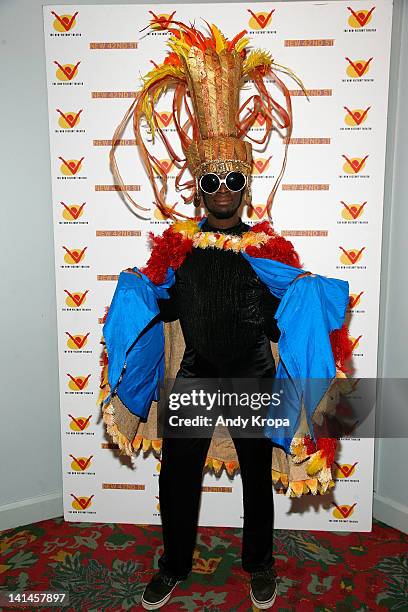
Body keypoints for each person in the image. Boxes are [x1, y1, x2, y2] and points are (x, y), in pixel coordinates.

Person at [99, 17, 353, 611]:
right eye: (210, 178)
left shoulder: (267, 254)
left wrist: (304, 300)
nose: (220, 188)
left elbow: (284, 314)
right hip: (196, 377)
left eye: (231, 178)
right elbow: (159, 305)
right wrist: (137, 291)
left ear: (244, 185)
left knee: (258, 483)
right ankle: (174, 566)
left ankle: (259, 566)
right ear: (198, 186)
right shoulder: (178, 249)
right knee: (176, 477)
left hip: (252, 377)